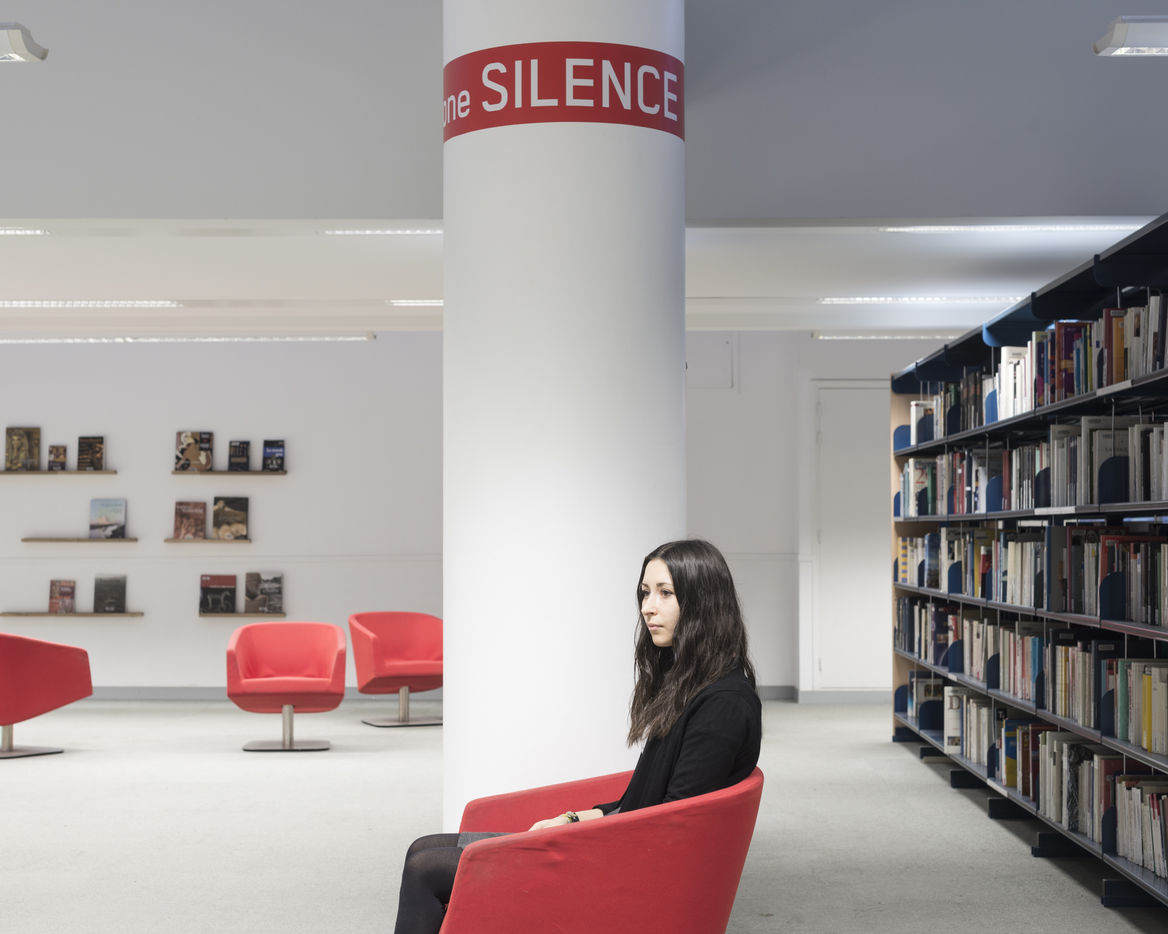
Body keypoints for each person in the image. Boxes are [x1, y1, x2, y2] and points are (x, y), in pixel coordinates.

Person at [393, 539, 762, 934]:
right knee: (422, 848)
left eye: (665, 593)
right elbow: (643, 804)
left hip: (623, 868)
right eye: (645, 592)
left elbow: (674, 826)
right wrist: (571, 819)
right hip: (619, 845)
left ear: (704, 602)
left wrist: (578, 837)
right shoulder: (691, 686)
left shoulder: (723, 704)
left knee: (425, 868)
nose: (647, 607)